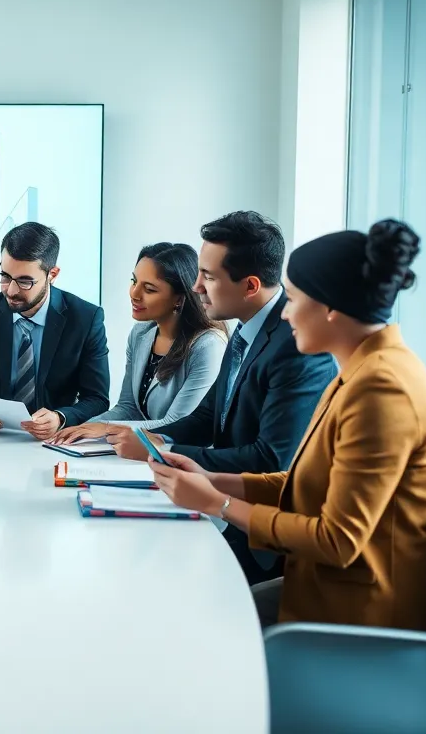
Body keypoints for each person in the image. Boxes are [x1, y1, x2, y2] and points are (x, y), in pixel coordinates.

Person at [149, 219, 426, 630]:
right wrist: (214, 480)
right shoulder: (361, 369)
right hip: (324, 584)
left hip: (356, 609)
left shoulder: (382, 389)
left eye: (294, 299)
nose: (286, 313)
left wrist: (216, 504)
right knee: (179, 601)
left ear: (330, 309)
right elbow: (303, 483)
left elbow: (337, 541)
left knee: (189, 617)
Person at [98, 212, 335, 584]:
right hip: (228, 510)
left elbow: (271, 458)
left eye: (207, 276)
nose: (195, 287)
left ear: (250, 286)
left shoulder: (297, 345)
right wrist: (159, 440)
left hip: (267, 537)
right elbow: (208, 416)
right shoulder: (245, 331)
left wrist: (162, 455)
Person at [0, 221, 110, 440]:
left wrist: (61, 417)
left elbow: (97, 398)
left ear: (52, 274)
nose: (11, 290)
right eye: (5, 276)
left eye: (25, 281)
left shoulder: (85, 318)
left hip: (56, 442)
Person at [48, 242, 225, 437]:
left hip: (181, 457)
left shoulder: (208, 345)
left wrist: (106, 429)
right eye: (134, 281)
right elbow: (127, 407)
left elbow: (178, 423)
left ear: (179, 298)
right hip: (141, 453)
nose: (134, 293)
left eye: (149, 289)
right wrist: (80, 429)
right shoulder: (140, 334)